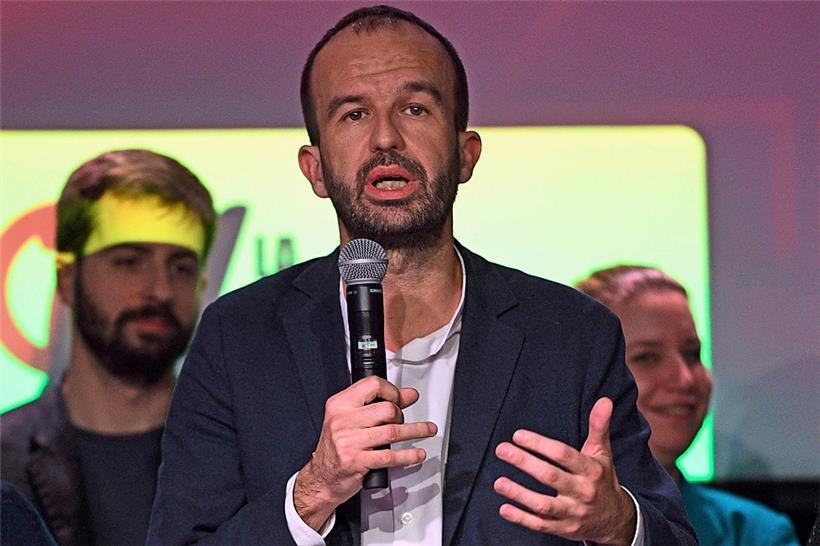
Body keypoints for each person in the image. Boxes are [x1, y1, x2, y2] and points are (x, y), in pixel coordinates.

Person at [148, 6, 695, 545]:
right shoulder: (237, 335)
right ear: (314, 169)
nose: (386, 138)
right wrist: (311, 492)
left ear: (465, 154)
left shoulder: (571, 335)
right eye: (354, 114)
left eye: (415, 109)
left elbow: (672, 536)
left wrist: (620, 525)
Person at [1, 149, 216, 546]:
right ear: (67, 279)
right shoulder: (3, 460)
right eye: (129, 261)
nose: (161, 290)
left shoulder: (238, 456)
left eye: (181, 267)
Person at [576, 265, 800, 546]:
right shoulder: (524, 515)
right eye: (647, 357)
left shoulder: (755, 532)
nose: (684, 378)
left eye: (692, 353)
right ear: (585, 374)